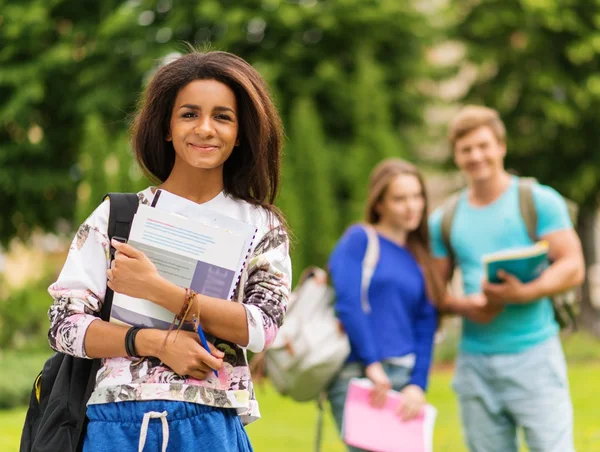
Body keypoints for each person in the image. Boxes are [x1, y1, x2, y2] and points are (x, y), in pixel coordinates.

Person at [47, 50, 291, 452]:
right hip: (115, 424)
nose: (206, 129)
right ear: (166, 127)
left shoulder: (261, 226)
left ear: (241, 131)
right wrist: (156, 343)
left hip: (210, 423)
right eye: (190, 114)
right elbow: (63, 325)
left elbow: (261, 328)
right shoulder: (119, 215)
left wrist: (157, 289)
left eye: (223, 117)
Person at [429, 105, 584, 452]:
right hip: (475, 364)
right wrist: (465, 306)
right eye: (466, 149)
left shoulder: (538, 200)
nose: (476, 156)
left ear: (501, 146)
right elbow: (436, 291)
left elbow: (573, 265)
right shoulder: (445, 219)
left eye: (483, 145)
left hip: (536, 356)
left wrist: (526, 292)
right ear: (456, 156)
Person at [327, 158, 443, 451]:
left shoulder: (420, 257)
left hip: (405, 379)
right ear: (379, 204)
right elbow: (350, 305)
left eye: (417, 196)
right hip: (362, 377)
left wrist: (418, 384)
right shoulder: (360, 240)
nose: (412, 206)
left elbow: (426, 325)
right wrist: (372, 364)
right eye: (400, 199)